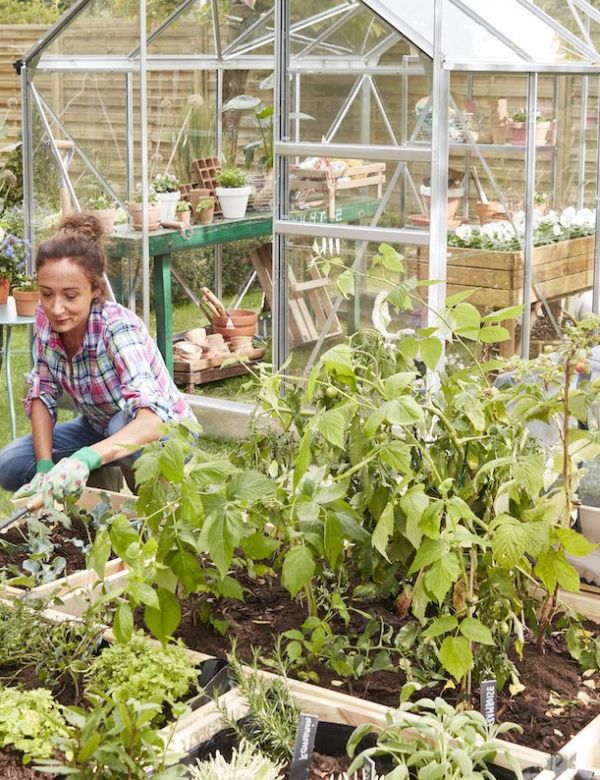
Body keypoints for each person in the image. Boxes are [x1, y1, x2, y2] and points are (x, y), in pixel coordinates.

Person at [0, 213, 195, 505]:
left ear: (95, 291)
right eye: (47, 294)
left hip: (167, 431)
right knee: (11, 463)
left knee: (120, 424)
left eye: (70, 295)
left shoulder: (116, 327)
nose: (56, 308)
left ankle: (150, 511)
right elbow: (43, 391)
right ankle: (100, 483)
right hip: (98, 426)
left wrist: (86, 457)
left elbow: (152, 419)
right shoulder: (46, 319)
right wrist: (43, 468)